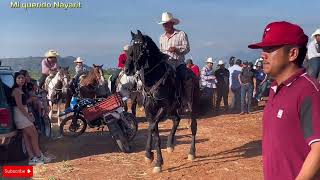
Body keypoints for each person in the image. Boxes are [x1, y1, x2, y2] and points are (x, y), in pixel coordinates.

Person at [248, 21, 320, 180]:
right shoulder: (275, 89)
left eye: (270, 49)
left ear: (292, 53)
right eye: (263, 49)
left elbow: (319, 148)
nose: (263, 54)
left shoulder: (308, 91)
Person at [11, 72, 51, 165]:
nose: (21, 80)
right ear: (15, 80)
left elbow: (24, 104)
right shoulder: (16, 91)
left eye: (22, 78)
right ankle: (38, 156)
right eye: (19, 78)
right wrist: (28, 116)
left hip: (22, 115)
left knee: (27, 138)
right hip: (21, 116)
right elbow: (20, 106)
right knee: (34, 135)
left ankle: (33, 158)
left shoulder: (21, 90)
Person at [158, 12, 192, 111]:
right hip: (166, 65)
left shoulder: (181, 34)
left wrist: (177, 49)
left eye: (166, 23)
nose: (164, 26)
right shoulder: (161, 37)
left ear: (172, 23)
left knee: (185, 77)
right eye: (163, 24)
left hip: (178, 63)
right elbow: (160, 51)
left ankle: (186, 100)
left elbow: (187, 48)